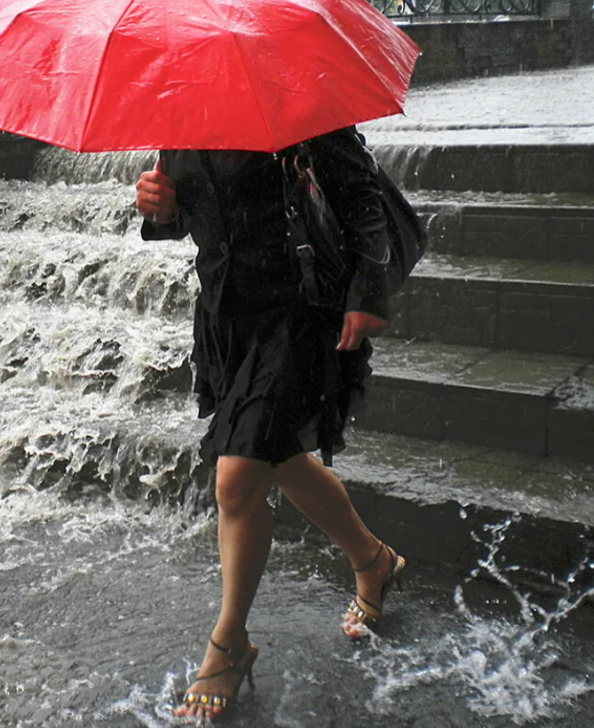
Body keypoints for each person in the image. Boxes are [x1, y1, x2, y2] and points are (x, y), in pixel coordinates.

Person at [134, 126, 406, 721]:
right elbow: (191, 215)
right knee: (279, 458)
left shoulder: (300, 105)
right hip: (226, 319)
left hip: (298, 314)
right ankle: (373, 560)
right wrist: (160, 206)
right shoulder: (180, 113)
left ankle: (229, 643)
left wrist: (368, 291)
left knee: (236, 479)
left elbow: (361, 200)